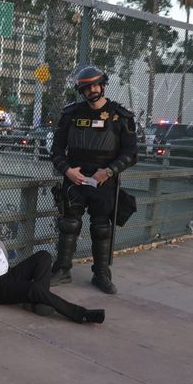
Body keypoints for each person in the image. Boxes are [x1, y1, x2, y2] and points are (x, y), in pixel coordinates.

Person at [49, 65, 138, 295]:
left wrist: (108, 172)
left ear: (103, 85)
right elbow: (56, 150)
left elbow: (131, 154)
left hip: (103, 181)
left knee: (101, 228)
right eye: (87, 88)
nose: (92, 90)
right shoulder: (71, 114)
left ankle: (101, 274)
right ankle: (62, 269)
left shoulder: (121, 116)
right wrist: (67, 171)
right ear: (82, 91)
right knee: (69, 224)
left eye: (96, 85)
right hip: (74, 179)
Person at [0, 202, 105, 324]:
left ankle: (39, 302)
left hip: (8, 274)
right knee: (34, 288)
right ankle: (81, 314)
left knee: (43, 256)